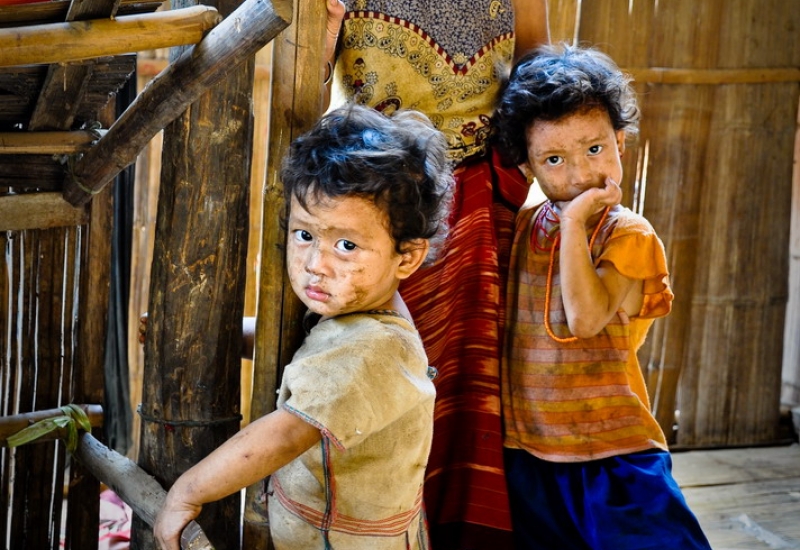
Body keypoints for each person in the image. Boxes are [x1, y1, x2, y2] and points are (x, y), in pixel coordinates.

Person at [153, 103, 454, 550]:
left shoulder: (375, 349)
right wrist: (232, 337)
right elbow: (319, 358)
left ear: (406, 257)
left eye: (347, 245)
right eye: (305, 235)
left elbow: (287, 433)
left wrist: (188, 491)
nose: (316, 264)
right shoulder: (356, 313)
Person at [321, 2, 550, 548]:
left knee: (465, 388)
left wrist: (525, 168)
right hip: (381, 202)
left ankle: (458, 529)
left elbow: (534, 72)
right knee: (378, 371)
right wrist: (327, 33)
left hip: (476, 199)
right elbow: (304, 93)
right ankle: (378, 530)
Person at [491, 43, 712, 549]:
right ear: (528, 165)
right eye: (553, 159)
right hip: (531, 454)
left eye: (594, 149)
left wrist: (572, 222)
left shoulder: (627, 233)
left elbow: (586, 318)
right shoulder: (524, 228)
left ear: (620, 143)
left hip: (614, 453)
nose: (578, 176)